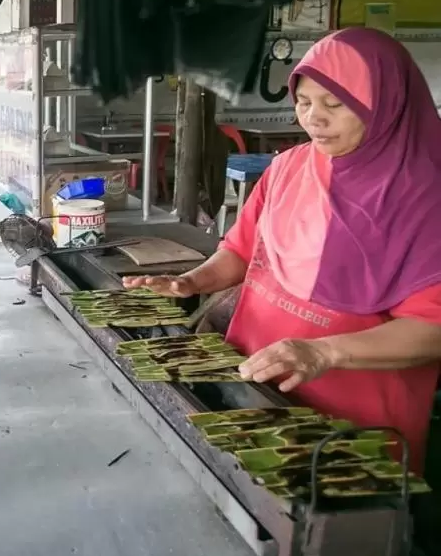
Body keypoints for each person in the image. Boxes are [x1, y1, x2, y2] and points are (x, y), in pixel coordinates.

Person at [126, 27, 441, 472]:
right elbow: (240, 250)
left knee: (333, 526)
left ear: (386, 105)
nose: (314, 118)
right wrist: (193, 281)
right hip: (251, 384)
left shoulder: (427, 198)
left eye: (335, 105)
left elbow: (432, 329)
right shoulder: (290, 167)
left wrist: (323, 352)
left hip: (352, 423)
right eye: (305, 101)